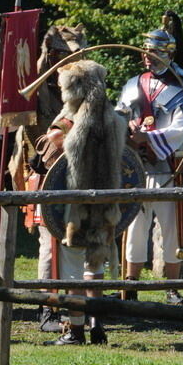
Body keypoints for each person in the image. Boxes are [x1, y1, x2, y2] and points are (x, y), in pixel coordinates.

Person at [0, 23, 87, 331]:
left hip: (81, 174)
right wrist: (12, 100)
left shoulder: (84, 84)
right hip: (43, 174)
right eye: (65, 57)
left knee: (79, 242)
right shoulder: (27, 80)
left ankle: (82, 309)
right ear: (52, 54)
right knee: (50, 242)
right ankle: (49, 308)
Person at [117, 13, 183, 305]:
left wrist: (149, 138)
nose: (146, 58)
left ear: (167, 53)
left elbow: (182, 128)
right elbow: (120, 115)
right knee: (134, 226)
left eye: (153, 52)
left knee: (170, 229)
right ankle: (130, 285)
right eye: (145, 52)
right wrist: (127, 127)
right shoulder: (133, 83)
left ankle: (172, 287)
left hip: (169, 166)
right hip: (136, 167)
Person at [38, 60, 127, 345]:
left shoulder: (66, 125)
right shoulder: (115, 120)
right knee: (96, 262)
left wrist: (46, 141)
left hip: (74, 208)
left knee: (74, 266)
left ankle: (75, 330)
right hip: (106, 206)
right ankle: (96, 323)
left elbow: (46, 161)